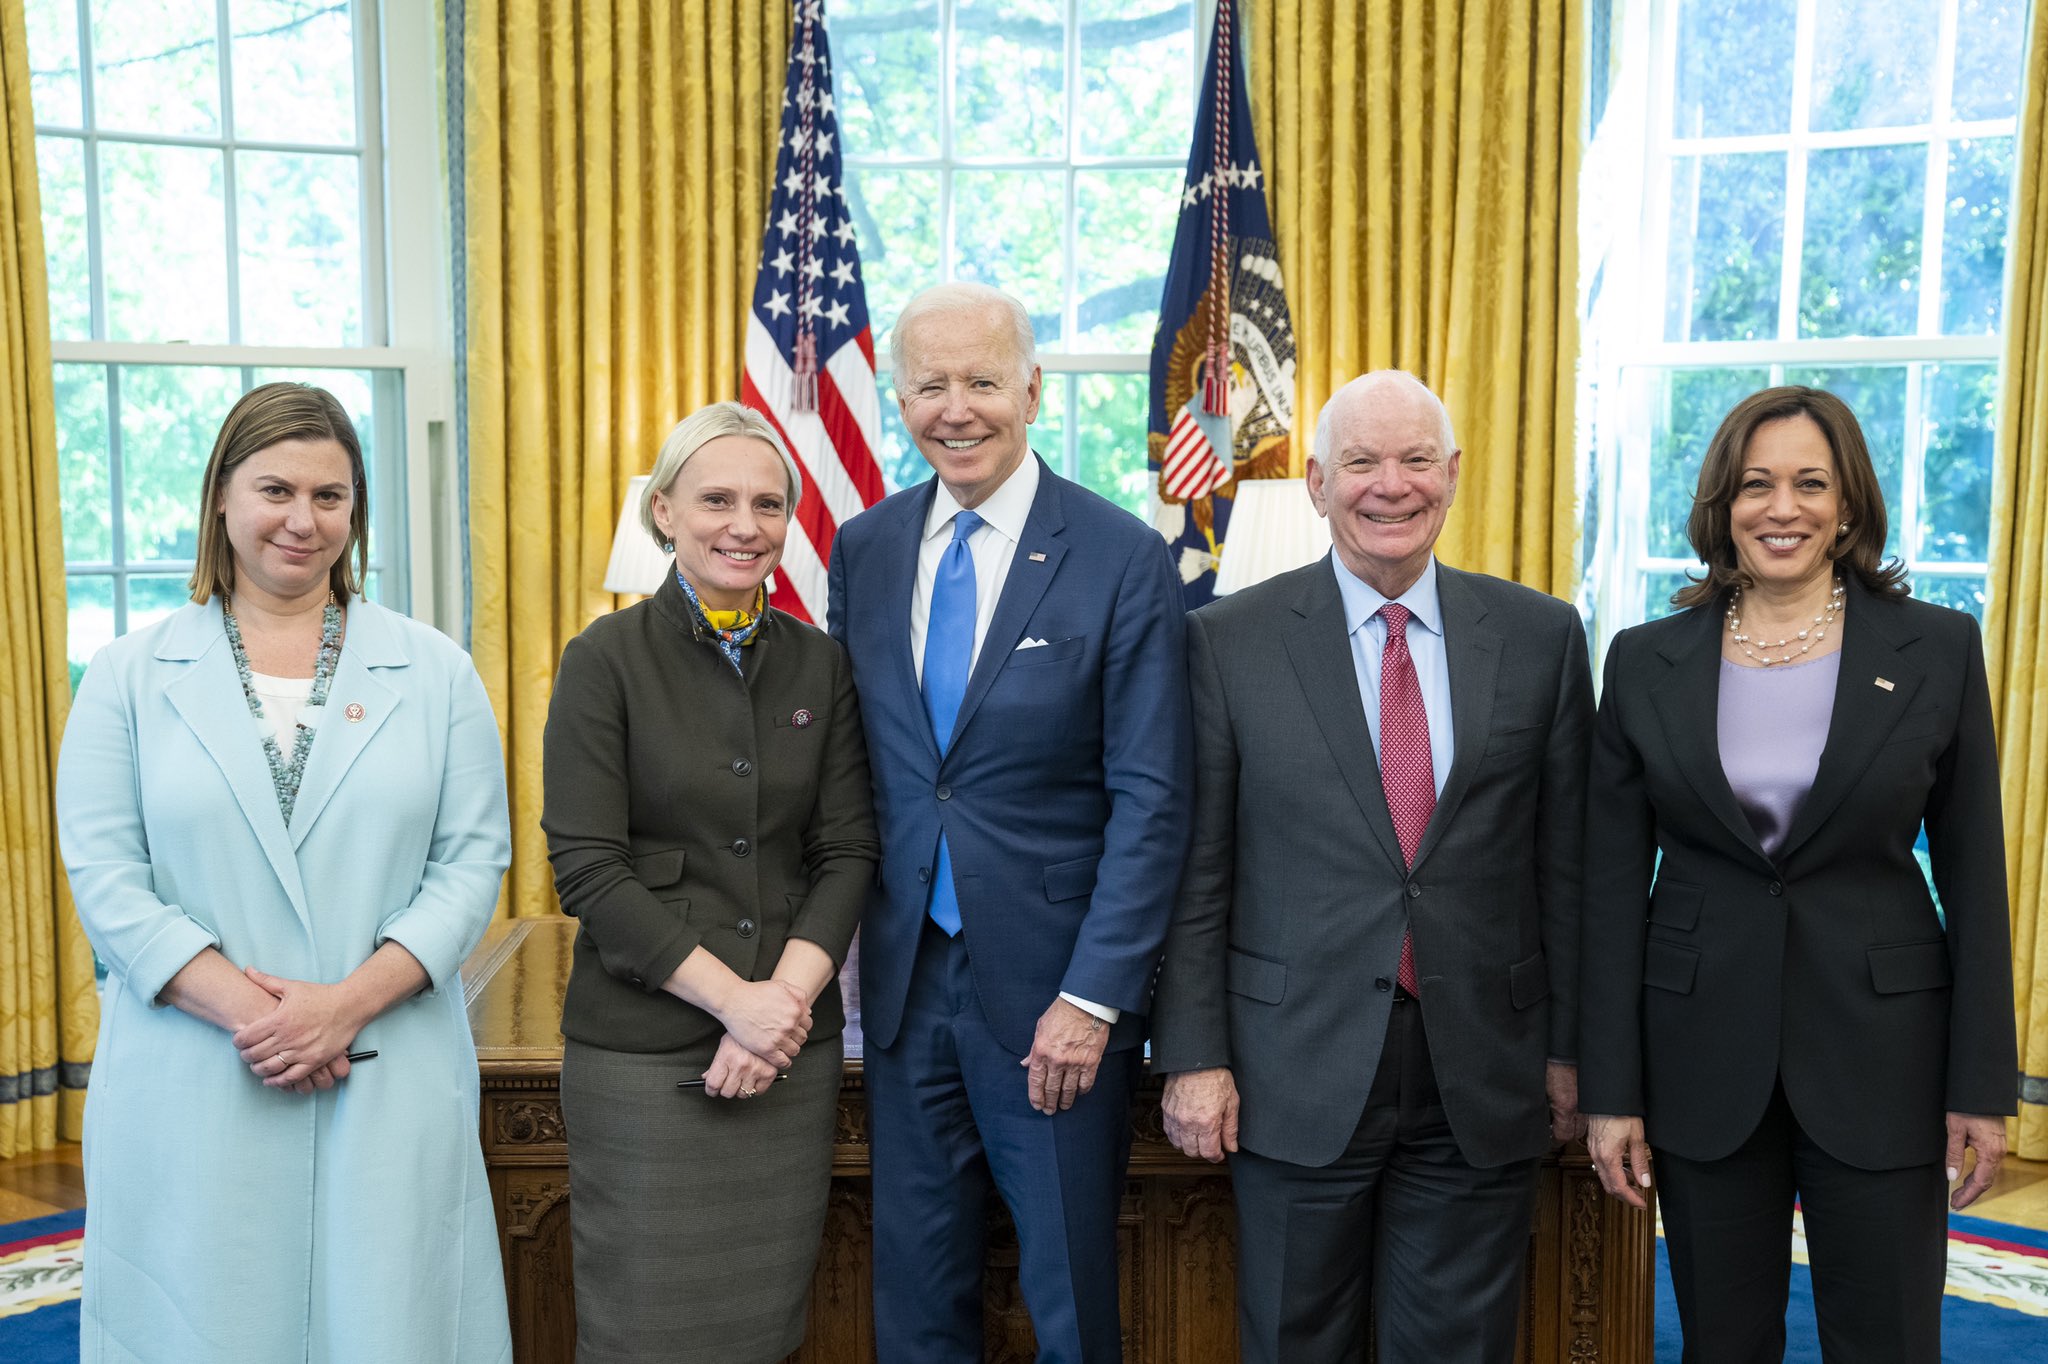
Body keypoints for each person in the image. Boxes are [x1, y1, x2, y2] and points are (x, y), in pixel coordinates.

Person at [55, 382, 512, 1362]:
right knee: (197, 1319)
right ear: (220, 495)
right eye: (275, 489)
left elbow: (472, 861)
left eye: (330, 495)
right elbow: (106, 876)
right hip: (197, 1066)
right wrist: (262, 1016)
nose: (302, 520)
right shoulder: (128, 676)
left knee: (391, 1317)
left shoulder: (435, 672)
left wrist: (342, 1005)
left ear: (356, 512)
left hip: (384, 1060)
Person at [1149, 370, 1593, 1363]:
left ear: (1452, 473)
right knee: (1294, 1339)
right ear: (1314, 481)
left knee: (1456, 1345)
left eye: (1413, 459)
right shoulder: (1226, 640)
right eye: (1359, 461)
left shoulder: (1539, 636)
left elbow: (1567, 870)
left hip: (1480, 1063)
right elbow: (1197, 867)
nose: (1387, 485)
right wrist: (1192, 1052)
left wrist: (1572, 1048)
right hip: (1287, 1064)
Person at [1579, 386, 2015, 1362]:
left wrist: (1979, 1084)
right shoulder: (1644, 661)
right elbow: (1606, 896)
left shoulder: (1935, 649)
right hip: (1699, 1057)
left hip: (1882, 1055)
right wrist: (1610, 1088)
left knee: (1886, 1339)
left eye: (1808, 482)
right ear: (1719, 506)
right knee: (1721, 1341)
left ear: (1847, 503)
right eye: (1754, 484)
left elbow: (1974, 877)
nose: (1781, 507)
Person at [826, 281, 1192, 1363]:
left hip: (1055, 994)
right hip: (901, 985)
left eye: (981, 380)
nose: (956, 408)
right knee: (915, 1294)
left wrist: (1090, 996)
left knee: (1069, 1298)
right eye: (929, 384)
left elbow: (1152, 795)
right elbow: (863, 766)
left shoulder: (1119, 554)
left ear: (1028, 388)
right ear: (899, 396)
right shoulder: (866, 548)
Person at [541, 401, 877, 1363]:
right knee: (644, 1325)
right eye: (716, 499)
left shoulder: (821, 663)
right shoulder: (602, 661)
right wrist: (740, 1006)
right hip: (644, 1053)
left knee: (765, 1324)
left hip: (786, 1050)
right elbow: (588, 870)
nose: (744, 524)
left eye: (768, 505)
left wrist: (779, 1011)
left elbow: (849, 851)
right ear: (663, 512)